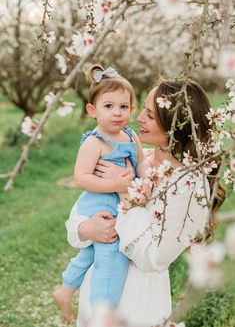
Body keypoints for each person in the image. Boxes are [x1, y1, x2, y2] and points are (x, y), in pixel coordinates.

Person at [65, 78, 225, 327]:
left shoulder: (189, 186)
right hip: (96, 287)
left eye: (149, 115)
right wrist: (84, 229)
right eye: (142, 109)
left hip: (138, 301)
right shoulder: (133, 158)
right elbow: (82, 211)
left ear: (174, 124)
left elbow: (154, 258)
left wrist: (126, 196)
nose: (137, 117)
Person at [54, 65, 147, 324]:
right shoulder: (94, 142)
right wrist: (115, 184)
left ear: (131, 109)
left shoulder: (130, 135)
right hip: (99, 206)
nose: (117, 113)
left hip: (119, 203)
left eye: (123, 106)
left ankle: (66, 288)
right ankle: (101, 315)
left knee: (90, 253)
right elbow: (81, 178)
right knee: (110, 261)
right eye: (108, 106)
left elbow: (141, 163)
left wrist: (150, 177)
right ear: (92, 111)